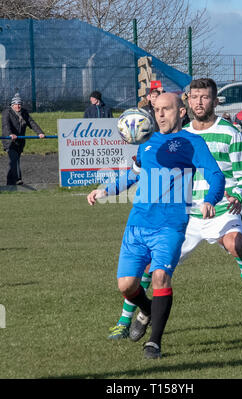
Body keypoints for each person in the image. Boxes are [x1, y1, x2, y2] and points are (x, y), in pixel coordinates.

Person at [108, 78, 242, 342]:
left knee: (236, 245)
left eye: (205, 97)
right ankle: (127, 319)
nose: (199, 102)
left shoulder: (230, 133)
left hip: (220, 209)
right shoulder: (177, 135)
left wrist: (237, 194)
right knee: (151, 268)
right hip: (184, 214)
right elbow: (143, 170)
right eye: (195, 97)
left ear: (214, 101)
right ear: (187, 103)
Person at [87, 92, 225, 359]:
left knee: (161, 276)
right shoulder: (146, 143)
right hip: (137, 224)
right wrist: (106, 191)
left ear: (181, 112)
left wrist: (210, 199)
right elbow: (133, 175)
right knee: (126, 286)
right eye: (156, 109)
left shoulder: (192, 143)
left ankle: (154, 343)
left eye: (166, 109)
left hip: (170, 226)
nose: (160, 115)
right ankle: (148, 309)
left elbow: (215, 174)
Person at [1, 92, 45, 185]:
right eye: (16, 104)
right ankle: (18, 179)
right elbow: (5, 125)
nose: (18, 106)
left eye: (19, 104)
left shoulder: (24, 112)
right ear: (12, 105)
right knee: (14, 159)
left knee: (14, 162)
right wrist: (10, 134)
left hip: (20, 141)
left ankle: (9, 185)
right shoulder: (6, 112)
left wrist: (40, 132)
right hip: (9, 141)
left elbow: (31, 123)